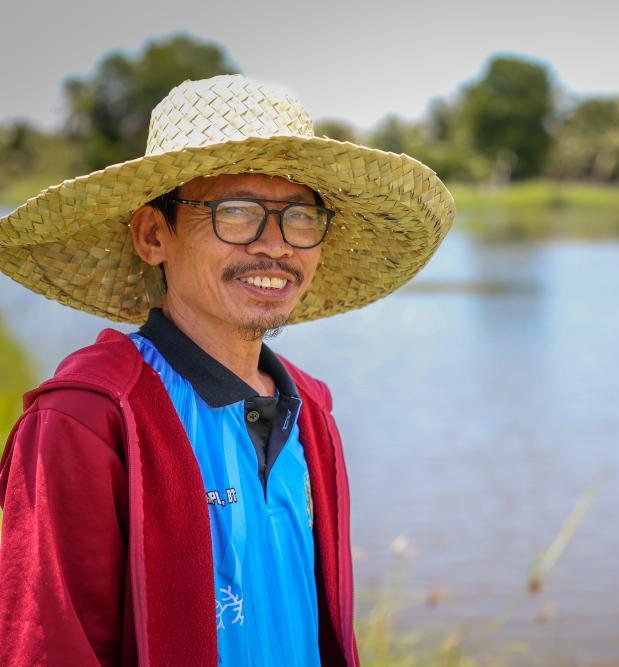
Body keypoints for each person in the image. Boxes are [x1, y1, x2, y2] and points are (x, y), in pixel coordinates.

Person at [0, 75, 454, 667]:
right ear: (153, 234)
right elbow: (46, 646)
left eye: (301, 216)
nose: (276, 246)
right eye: (236, 213)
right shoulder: (90, 416)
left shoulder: (310, 412)